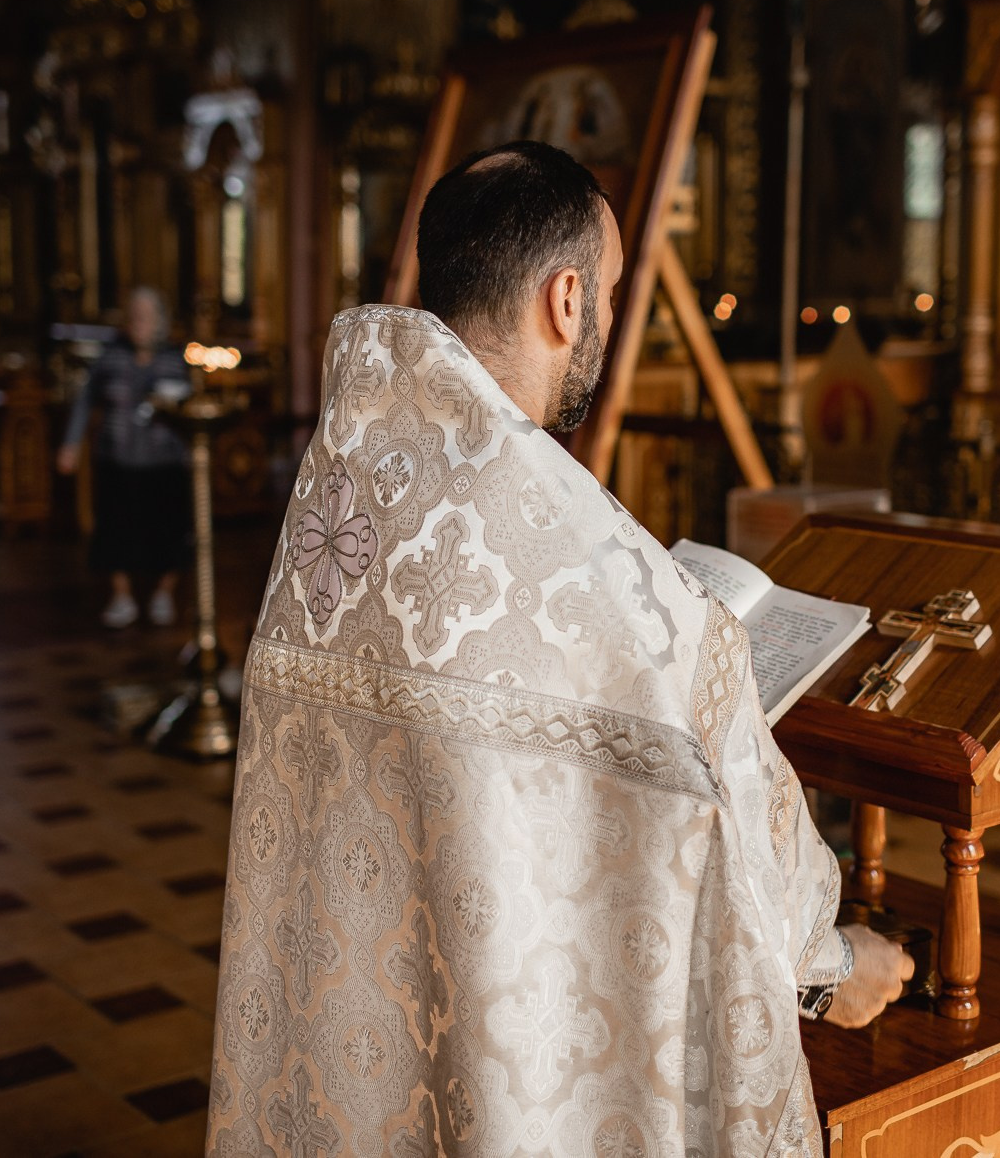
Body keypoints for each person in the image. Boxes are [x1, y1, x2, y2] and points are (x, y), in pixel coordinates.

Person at [208, 141, 910, 1156]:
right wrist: (833, 963)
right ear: (566, 298)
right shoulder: (578, 544)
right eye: (615, 292)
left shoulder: (342, 486)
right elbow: (738, 813)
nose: (610, 319)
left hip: (354, 1031)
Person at [56, 286, 192, 628]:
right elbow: (87, 399)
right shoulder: (111, 356)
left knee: (170, 532)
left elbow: (187, 407)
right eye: (134, 316)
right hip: (117, 461)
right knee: (115, 531)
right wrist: (71, 445)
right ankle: (122, 597)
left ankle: (163, 594)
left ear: (160, 320)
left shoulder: (174, 359)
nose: (139, 323)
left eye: (146, 316)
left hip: (164, 463)